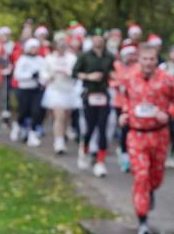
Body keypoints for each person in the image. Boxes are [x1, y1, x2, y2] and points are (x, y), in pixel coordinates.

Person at [117, 44, 174, 234]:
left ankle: (150, 191)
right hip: (136, 135)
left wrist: (169, 114)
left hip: (159, 135)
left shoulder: (167, 79)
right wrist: (124, 114)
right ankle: (143, 221)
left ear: (157, 61)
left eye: (151, 59)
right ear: (139, 60)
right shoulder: (130, 79)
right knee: (141, 175)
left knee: (155, 177)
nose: (148, 63)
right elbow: (124, 100)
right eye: (144, 59)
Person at [74, 32, 115, 176]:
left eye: (100, 39)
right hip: (89, 93)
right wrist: (88, 76)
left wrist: (113, 76)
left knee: (103, 126)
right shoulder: (85, 56)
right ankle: (84, 150)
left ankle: (100, 161)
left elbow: (113, 72)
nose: (98, 42)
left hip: (103, 94)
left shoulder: (109, 56)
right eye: (95, 39)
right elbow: (75, 72)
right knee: (90, 126)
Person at [40, 32, 79, 155]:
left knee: (66, 116)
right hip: (55, 90)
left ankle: (63, 134)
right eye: (59, 44)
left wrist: (68, 73)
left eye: (64, 44)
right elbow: (43, 73)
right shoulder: (49, 58)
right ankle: (58, 142)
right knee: (59, 115)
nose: (62, 47)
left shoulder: (72, 58)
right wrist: (49, 76)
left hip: (68, 89)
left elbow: (76, 72)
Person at [111, 39, 139, 172]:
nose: (131, 57)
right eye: (128, 54)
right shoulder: (116, 65)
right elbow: (111, 81)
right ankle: (124, 157)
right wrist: (119, 84)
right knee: (124, 130)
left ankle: (133, 156)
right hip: (120, 103)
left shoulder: (138, 66)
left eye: (133, 54)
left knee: (134, 130)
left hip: (135, 103)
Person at [12, 38, 45, 146]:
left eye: (36, 47)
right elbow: (17, 75)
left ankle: (32, 134)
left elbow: (44, 73)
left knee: (36, 111)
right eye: (32, 47)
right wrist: (31, 75)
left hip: (36, 89)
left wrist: (41, 79)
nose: (34, 49)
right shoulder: (23, 59)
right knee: (23, 111)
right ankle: (17, 125)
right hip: (24, 89)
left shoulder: (40, 60)